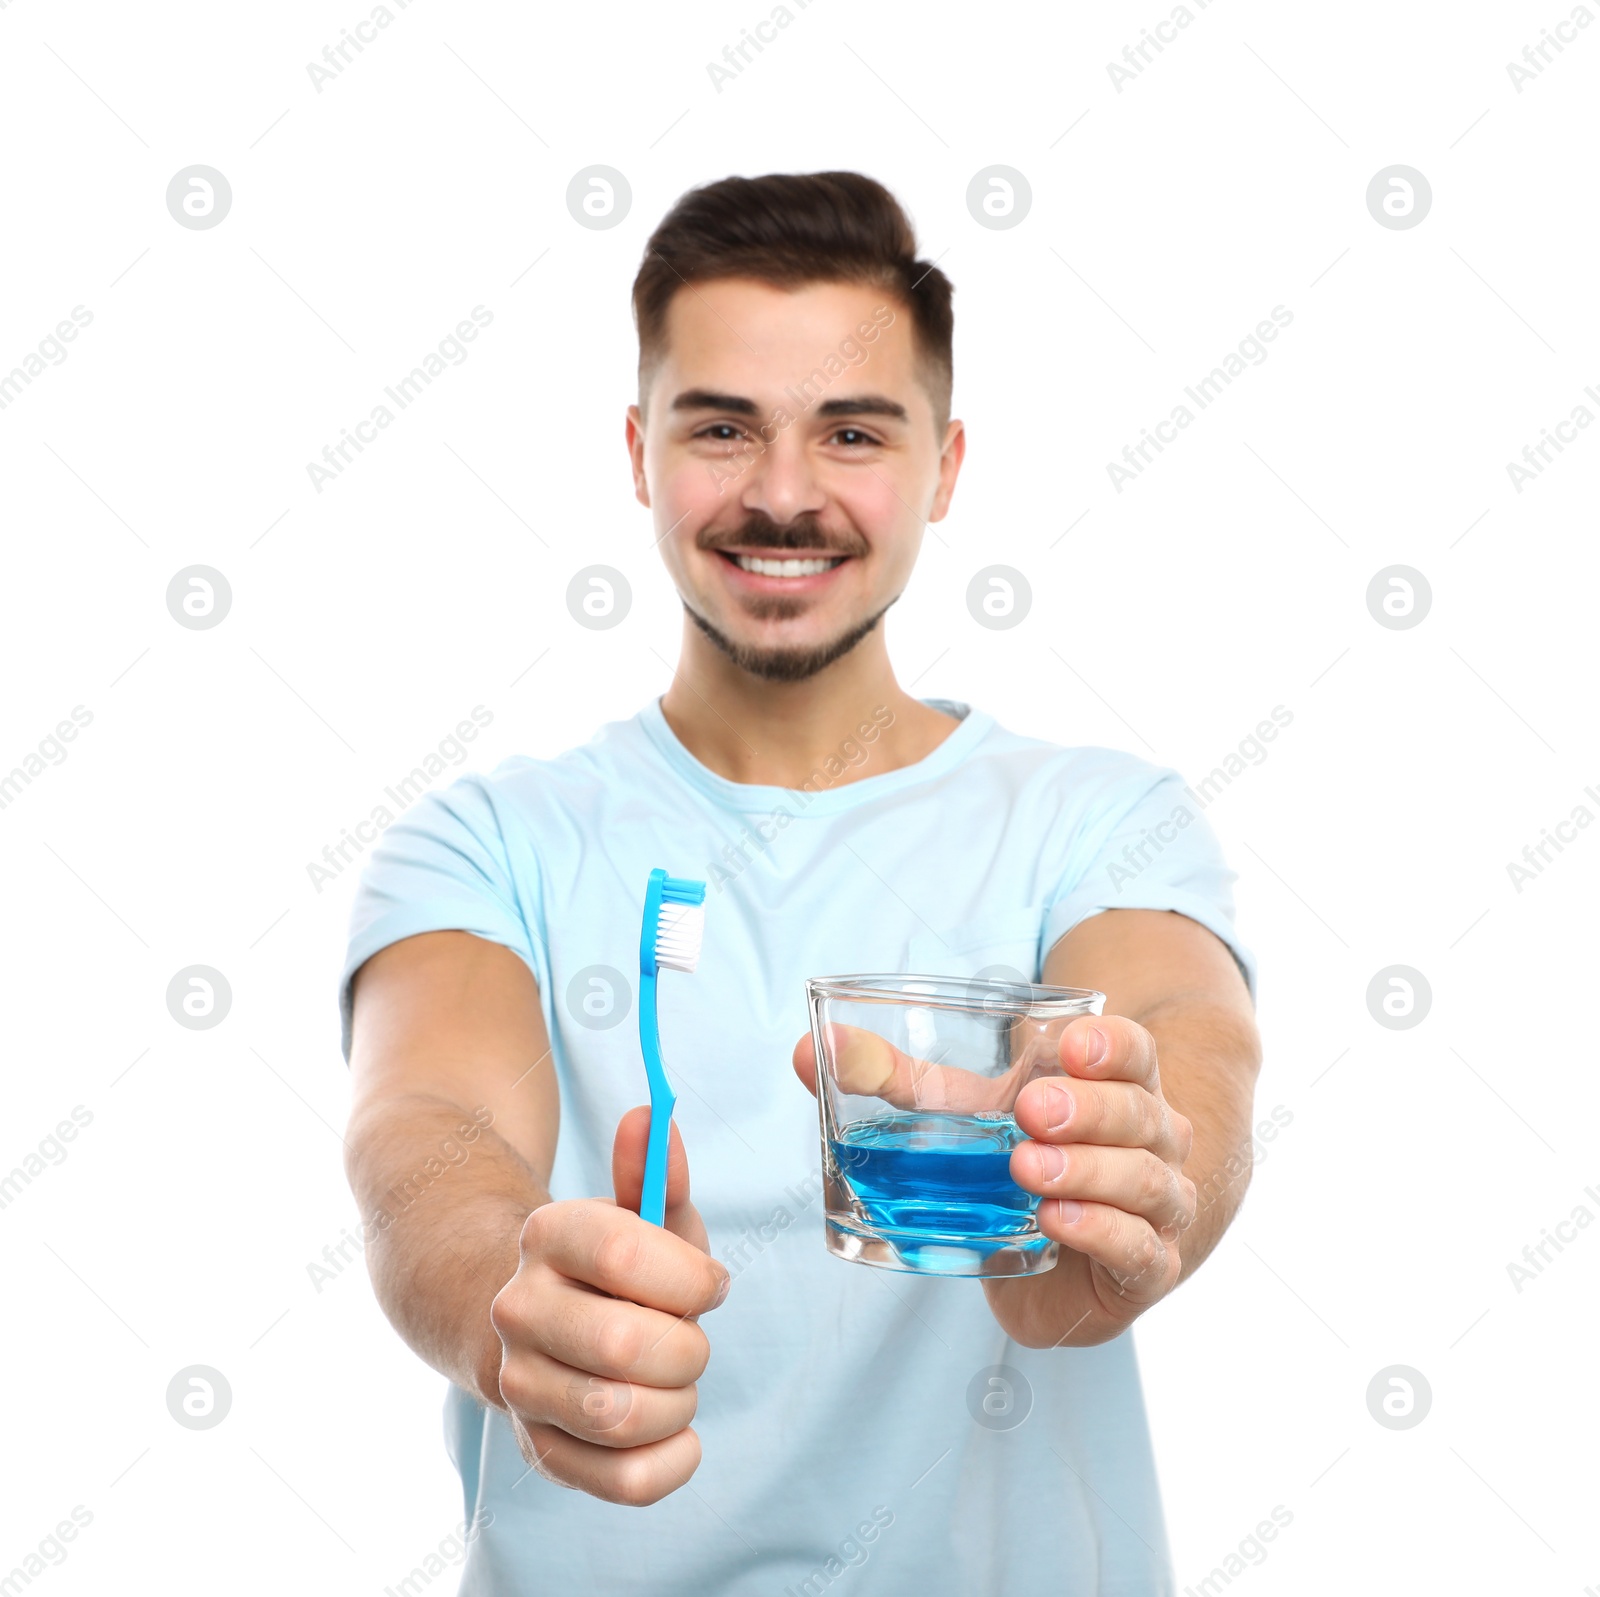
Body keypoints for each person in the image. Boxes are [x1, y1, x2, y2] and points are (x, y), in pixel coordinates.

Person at [338, 169, 1263, 1596]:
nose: (782, 492)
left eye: (851, 431)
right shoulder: (483, 840)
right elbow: (427, 1137)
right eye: (723, 429)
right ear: (640, 452)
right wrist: (508, 1303)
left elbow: (1185, 1053)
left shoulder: (1104, 823)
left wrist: (1118, 1182)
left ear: (946, 466)